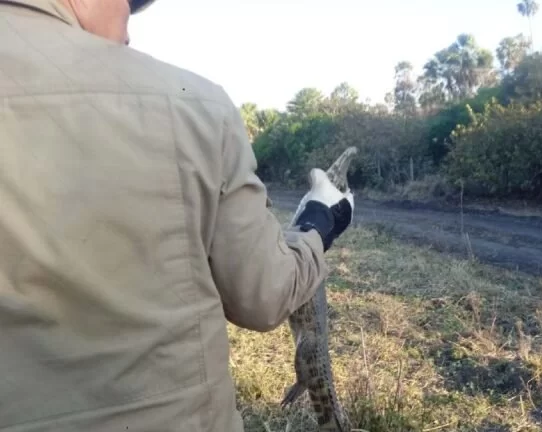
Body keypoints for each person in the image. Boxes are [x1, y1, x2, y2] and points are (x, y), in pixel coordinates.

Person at [0, 1, 354, 431]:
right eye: (128, 6)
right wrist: (320, 221)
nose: (128, 33)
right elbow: (264, 296)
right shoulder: (194, 103)